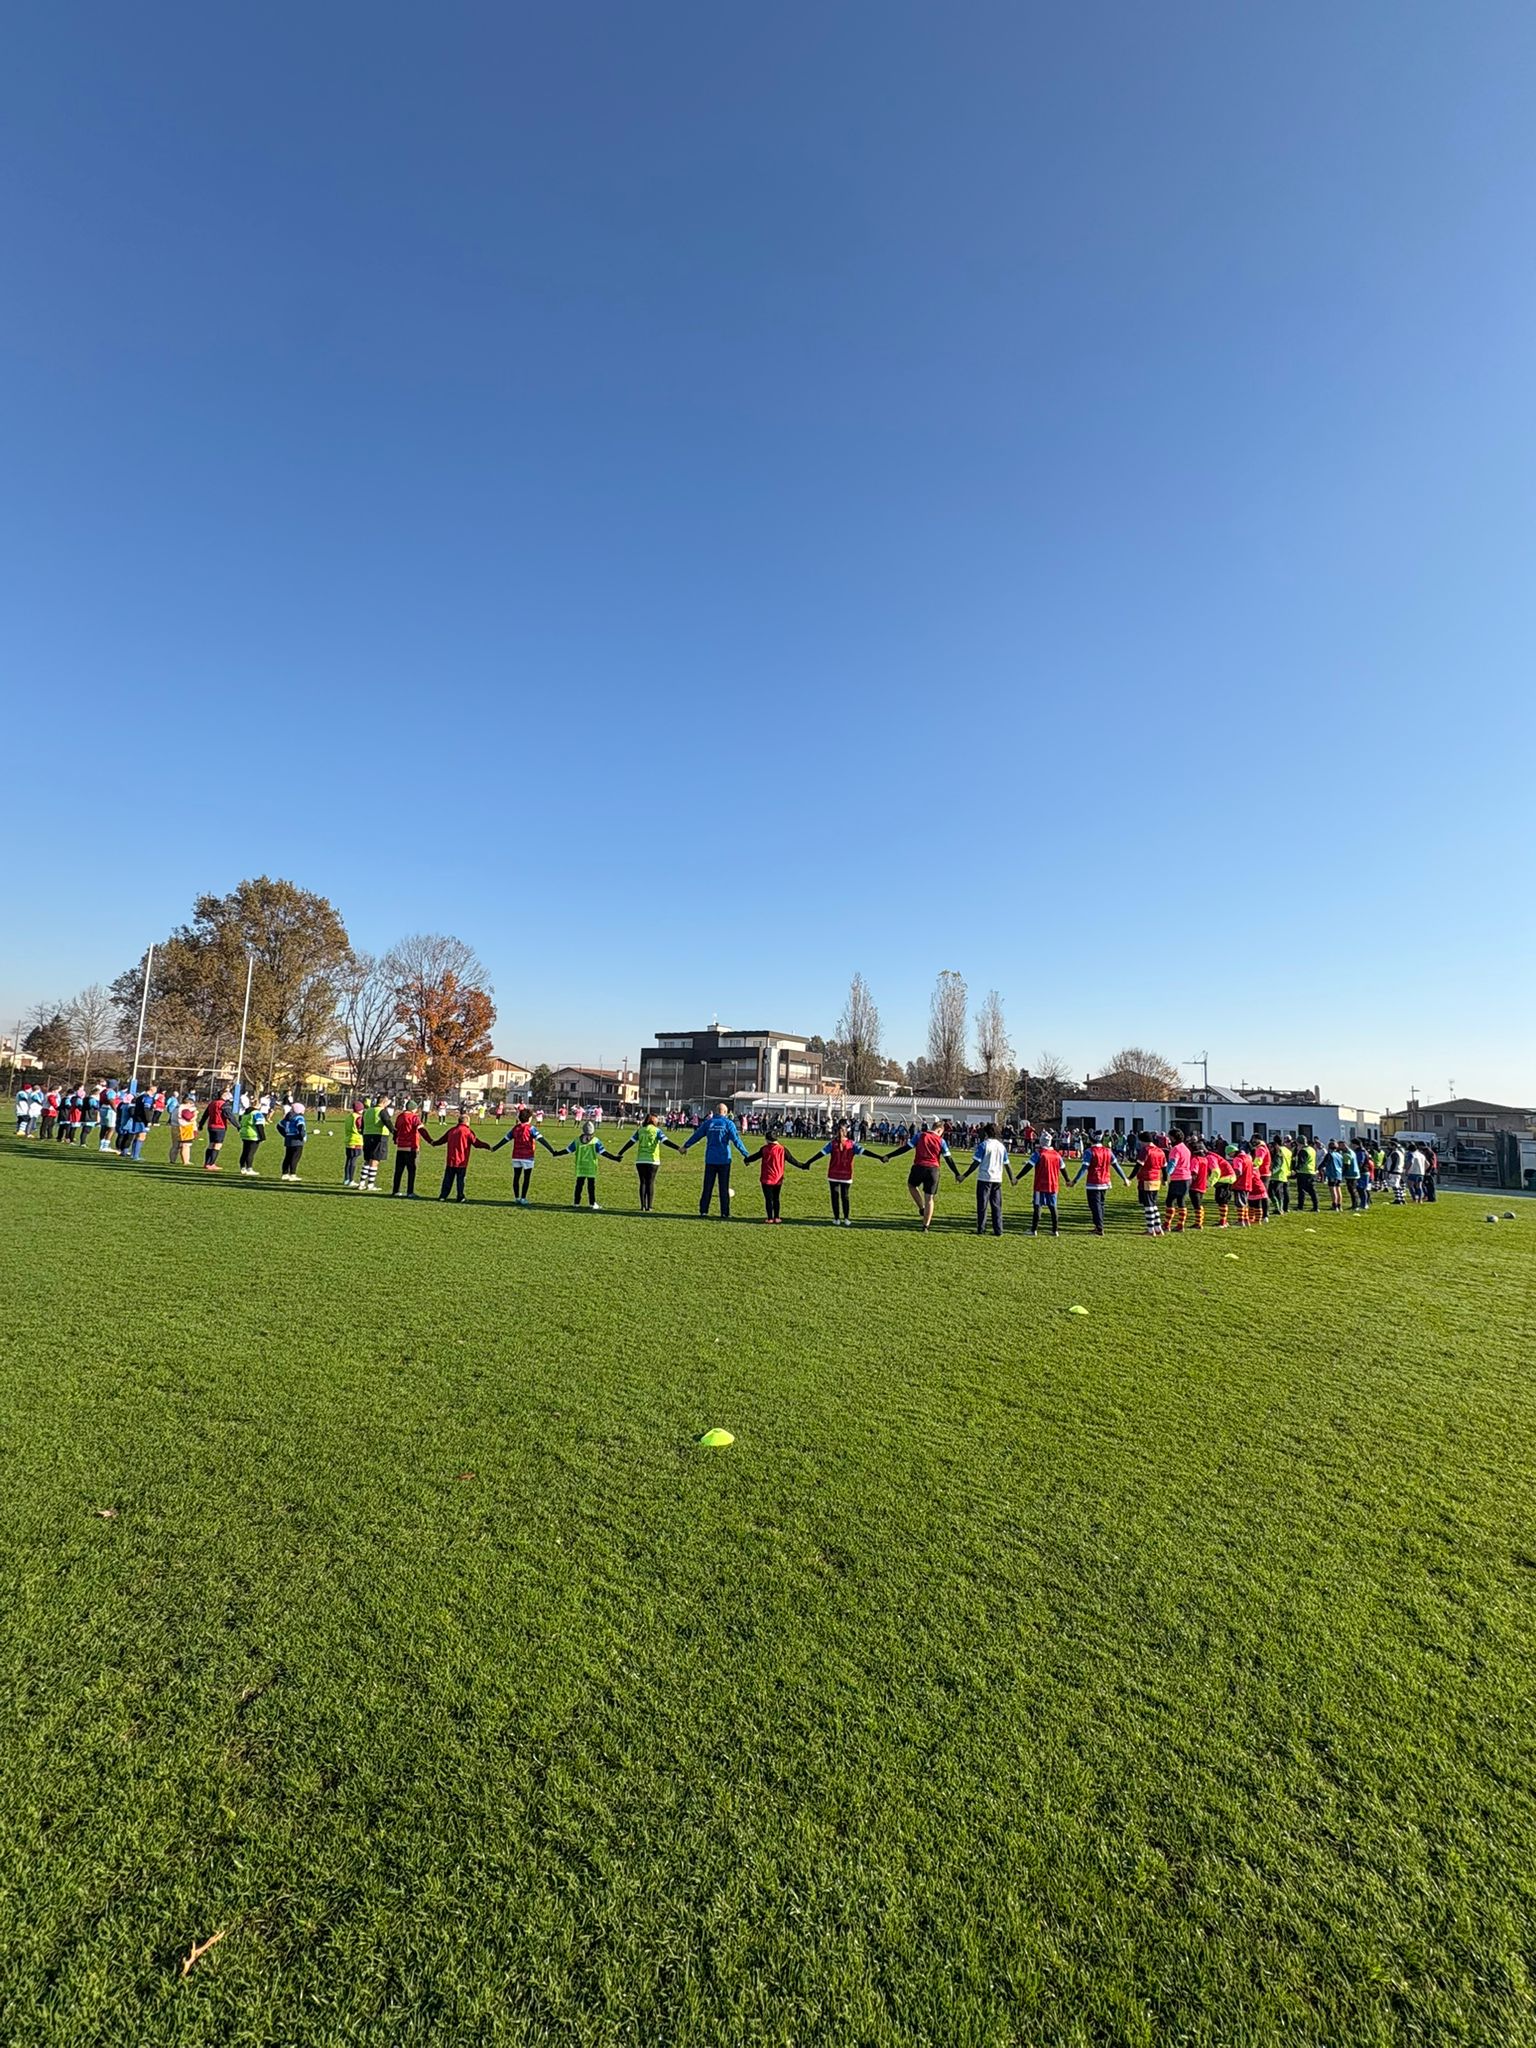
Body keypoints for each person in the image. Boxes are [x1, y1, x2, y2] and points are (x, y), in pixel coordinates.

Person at [681, 1102, 749, 1220]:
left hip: (711, 1159)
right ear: (725, 1112)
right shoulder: (728, 1124)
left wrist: (686, 1146)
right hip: (724, 1160)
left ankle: (703, 1210)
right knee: (724, 1187)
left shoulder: (708, 1123)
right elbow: (736, 1140)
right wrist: (746, 1154)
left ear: (716, 1111)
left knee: (707, 1186)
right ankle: (725, 1212)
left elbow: (696, 1135)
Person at [889, 1120, 960, 1233]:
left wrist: (889, 1156)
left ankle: (921, 1208)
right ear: (940, 1130)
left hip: (919, 1167)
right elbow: (948, 1159)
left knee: (911, 1185)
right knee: (929, 1198)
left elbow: (905, 1148)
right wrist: (956, 1173)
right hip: (933, 1170)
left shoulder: (920, 1136)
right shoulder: (941, 1141)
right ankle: (925, 1226)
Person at [1068, 1130, 1132, 1235]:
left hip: (1093, 1182)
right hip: (1105, 1181)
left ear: (1091, 1139)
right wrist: (1124, 1178)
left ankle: (1099, 1227)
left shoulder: (1089, 1151)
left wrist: (1075, 1181)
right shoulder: (1108, 1151)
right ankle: (1099, 1225)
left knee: (1094, 1205)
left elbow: (1084, 1168)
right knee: (1101, 1204)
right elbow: (1116, 1166)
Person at [613, 1113, 679, 1214]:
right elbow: (666, 1142)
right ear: (653, 1120)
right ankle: (650, 1207)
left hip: (640, 1160)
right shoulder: (657, 1131)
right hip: (653, 1160)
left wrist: (621, 1153)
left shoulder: (640, 1130)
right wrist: (678, 1148)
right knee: (650, 1182)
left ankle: (643, 1206)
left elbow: (630, 1142)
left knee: (643, 1182)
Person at [958, 1122, 1014, 1237]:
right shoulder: (1001, 1146)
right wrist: (1011, 1178)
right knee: (996, 1205)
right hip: (997, 1179)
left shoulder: (984, 1145)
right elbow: (1007, 1164)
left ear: (986, 1132)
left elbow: (976, 1163)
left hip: (984, 1178)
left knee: (982, 1205)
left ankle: (981, 1228)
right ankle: (998, 1229)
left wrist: (964, 1175)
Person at [423, 1109, 490, 1202]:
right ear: (466, 1122)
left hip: (451, 1159)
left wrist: (433, 1142)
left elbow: (442, 1140)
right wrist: (487, 1146)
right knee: (460, 1180)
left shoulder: (451, 1130)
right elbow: (476, 1143)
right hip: (462, 1160)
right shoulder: (468, 1132)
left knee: (447, 1179)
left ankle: (443, 1196)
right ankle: (460, 1196)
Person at [490, 1106, 552, 1205]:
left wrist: (495, 1148)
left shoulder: (515, 1128)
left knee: (516, 1177)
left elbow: (505, 1139)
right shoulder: (531, 1128)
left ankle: (517, 1197)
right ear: (530, 1118)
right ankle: (523, 1198)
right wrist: (552, 1150)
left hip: (516, 1156)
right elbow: (541, 1140)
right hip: (528, 1156)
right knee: (526, 1178)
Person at [743, 1128, 807, 1223]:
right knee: (776, 1198)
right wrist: (803, 1166)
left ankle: (769, 1218)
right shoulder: (783, 1149)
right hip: (778, 1178)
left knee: (768, 1199)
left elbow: (755, 1157)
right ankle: (777, 1217)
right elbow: (793, 1161)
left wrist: (746, 1160)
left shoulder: (764, 1149)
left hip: (766, 1178)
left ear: (767, 1140)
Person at [815, 1119, 871, 1225]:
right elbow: (865, 1152)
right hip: (845, 1175)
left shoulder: (833, 1144)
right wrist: (880, 1157)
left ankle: (837, 1218)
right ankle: (845, 1218)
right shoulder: (850, 1144)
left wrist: (808, 1163)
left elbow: (820, 1154)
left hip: (834, 1174)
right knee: (844, 1196)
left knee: (835, 1196)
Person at [557, 1120, 610, 1208]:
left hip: (580, 1166)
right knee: (591, 1186)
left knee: (579, 1185)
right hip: (591, 1167)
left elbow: (567, 1150)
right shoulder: (595, 1141)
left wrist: (557, 1153)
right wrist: (614, 1158)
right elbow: (604, 1153)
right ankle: (592, 1203)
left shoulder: (577, 1140)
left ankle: (576, 1203)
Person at [386, 1099, 423, 1196]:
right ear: (413, 1109)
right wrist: (430, 1140)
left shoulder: (400, 1117)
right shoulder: (414, 1117)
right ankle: (410, 1192)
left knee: (398, 1170)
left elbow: (396, 1130)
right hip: (411, 1147)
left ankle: (395, 1190)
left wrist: (395, 1140)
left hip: (400, 1147)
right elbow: (420, 1129)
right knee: (411, 1171)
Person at [1134, 1133, 1167, 1235]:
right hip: (1156, 1179)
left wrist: (1130, 1177)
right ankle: (1158, 1228)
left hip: (1146, 1178)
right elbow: (1164, 1168)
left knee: (1148, 1205)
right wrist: (1164, 1179)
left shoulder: (1146, 1150)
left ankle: (1150, 1229)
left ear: (1143, 1141)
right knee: (1153, 1204)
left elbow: (1138, 1166)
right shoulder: (1160, 1151)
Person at [1163, 1127, 1193, 1233]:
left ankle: (1167, 1224)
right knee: (1181, 1201)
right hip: (1187, 1178)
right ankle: (1181, 1225)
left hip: (1178, 1178)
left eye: (1169, 1137)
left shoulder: (1175, 1149)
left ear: (1173, 1138)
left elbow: (1172, 1163)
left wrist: (1166, 1175)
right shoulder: (1186, 1148)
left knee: (1169, 1201)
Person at [359, 1096, 390, 1194]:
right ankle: (371, 1184)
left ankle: (362, 1183)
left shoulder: (367, 1111)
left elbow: (362, 1125)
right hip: (379, 1136)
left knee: (367, 1160)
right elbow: (387, 1122)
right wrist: (395, 1133)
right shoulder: (382, 1111)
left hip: (367, 1136)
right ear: (384, 1102)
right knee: (375, 1160)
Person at [276, 1100, 307, 1180]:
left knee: (288, 1156)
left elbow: (279, 1126)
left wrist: (285, 1134)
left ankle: (284, 1173)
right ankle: (292, 1174)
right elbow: (301, 1127)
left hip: (288, 1139)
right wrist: (302, 1136)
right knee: (295, 1157)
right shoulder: (299, 1117)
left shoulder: (287, 1117)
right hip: (297, 1140)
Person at [235, 1099, 266, 1176]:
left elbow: (240, 1120)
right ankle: (249, 1168)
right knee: (251, 1152)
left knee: (245, 1151)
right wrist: (262, 1137)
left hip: (245, 1134)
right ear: (258, 1105)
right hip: (253, 1135)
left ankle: (243, 1168)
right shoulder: (257, 1113)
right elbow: (259, 1125)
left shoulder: (245, 1112)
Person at [1293, 1138, 1319, 1212]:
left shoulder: (1303, 1151)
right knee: (1312, 1190)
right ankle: (1316, 1206)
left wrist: (1295, 1170)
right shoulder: (1312, 1149)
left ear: (1299, 1143)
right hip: (1311, 1172)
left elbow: (1301, 1162)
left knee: (1301, 1191)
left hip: (1303, 1172)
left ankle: (1300, 1206)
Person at [342, 1103, 364, 1187]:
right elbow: (360, 1128)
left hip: (348, 1140)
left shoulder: (349, 1117)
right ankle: (351, 1180)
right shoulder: (358, 1117)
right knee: (353, 1161)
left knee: (348, 1160)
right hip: (356, 1140)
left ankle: (346, 1179)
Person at [172, 1097, 198, 1165]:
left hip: (175, 1127)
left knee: (175, 1145)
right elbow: (189, 1118)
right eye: (192, 1104)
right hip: (185, 1128)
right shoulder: (184, 1109)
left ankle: (172, 1160)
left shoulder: (177, 1108)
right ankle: (186, 1161)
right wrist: (195, 1114)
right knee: (186, 1145)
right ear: (188, 1103)